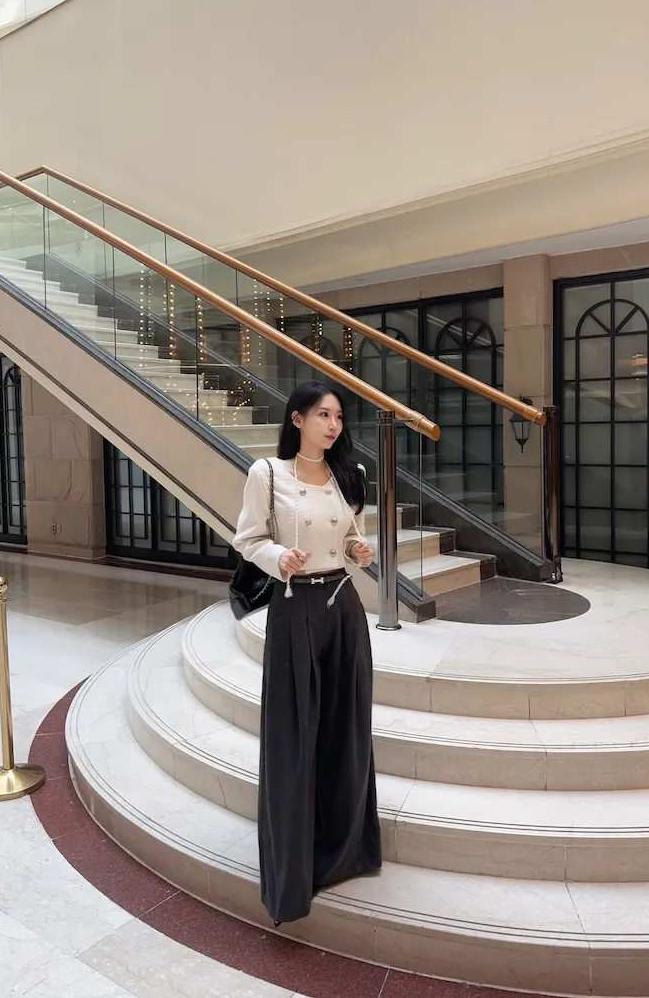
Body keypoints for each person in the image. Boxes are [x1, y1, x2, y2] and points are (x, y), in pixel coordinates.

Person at [233, 381, 382, 926]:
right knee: (293, 735)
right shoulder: (267, 474)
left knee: (346, 729)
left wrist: (359, 550)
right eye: (323, 414)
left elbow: (349, 538)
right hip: (294, 609)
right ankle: (292, 871)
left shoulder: (350, 474)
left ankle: (346, 851)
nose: (333, 425)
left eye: (338, 416)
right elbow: (247, 540)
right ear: (297, 419)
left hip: (343, 607)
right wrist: (278, 557)